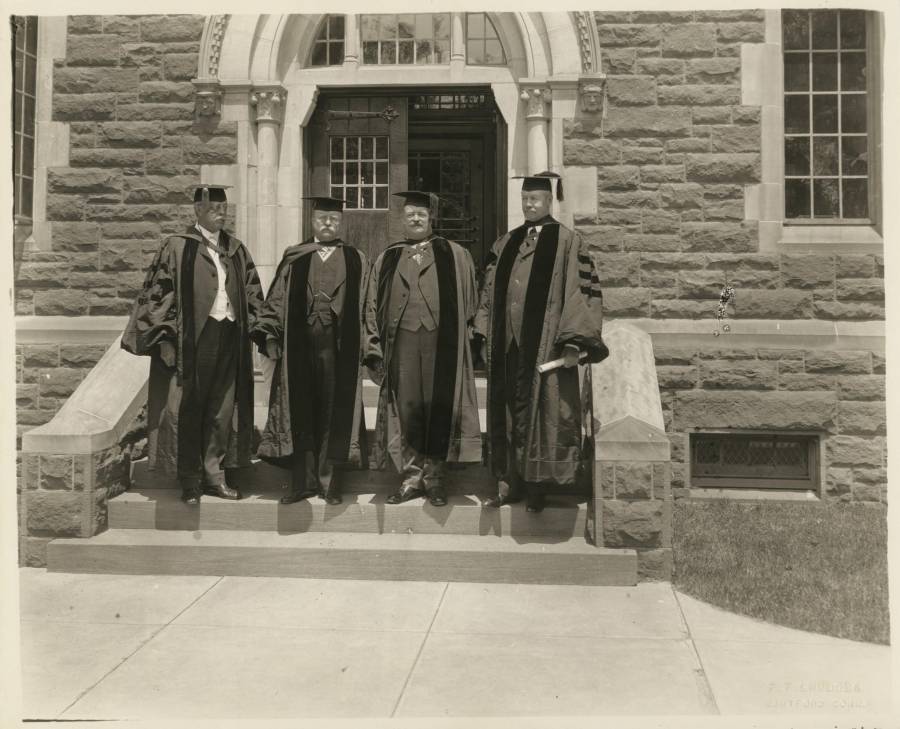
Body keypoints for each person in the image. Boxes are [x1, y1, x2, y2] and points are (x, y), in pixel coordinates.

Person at [122, 184, 266, 505]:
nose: (221, 214)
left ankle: (215, 475)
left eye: (224, 209)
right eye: (214, 209)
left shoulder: (236, 249)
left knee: (223, 408)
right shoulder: (177, 247)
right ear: (197, 211)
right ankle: (190, 480)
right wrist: (163, 340)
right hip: (192, 340)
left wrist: (264, 330)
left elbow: (254, 293)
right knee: (189, 407)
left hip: (229, 337)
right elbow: (157, 296)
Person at [474, 172, 607, 513]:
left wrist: (574, 342)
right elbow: (488, 291)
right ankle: (508, 483)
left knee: (542, 414)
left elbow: (582, 293)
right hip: (508, 345)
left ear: (550, 202)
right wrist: (485, 330)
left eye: (536, 199)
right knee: (506, 413)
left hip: (546, 345)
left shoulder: (568, 242)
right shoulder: (506, 243)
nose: (529, 204)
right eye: (525, 199)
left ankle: (537, 487)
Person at [363, 191, 482, 507]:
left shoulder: (455, 255)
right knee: (408, 410)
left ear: (432, 219)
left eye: (422, 214)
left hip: (440, 343)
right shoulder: (387, 257)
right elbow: (372, 304)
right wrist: (373, 348)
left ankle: (435, 478)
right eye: (410, 214)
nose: (416, 218)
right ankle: (412, 477)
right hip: (401, 342)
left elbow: (471, 302)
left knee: (437, 407)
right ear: (402, 219)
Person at [256, 196, 369, 505]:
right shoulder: (295, 257)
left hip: (338, 346)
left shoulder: (356, 258)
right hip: (300, 346)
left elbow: (367, 306)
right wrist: (270, 336)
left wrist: (369, 347)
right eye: (322, 219)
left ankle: (328, 482)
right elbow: (276, 299)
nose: (328, 224)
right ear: (312, 221)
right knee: (301, 411)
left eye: (333, 219)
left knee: (334, 411)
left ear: (341, 222)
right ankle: (303, 483)